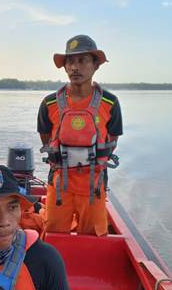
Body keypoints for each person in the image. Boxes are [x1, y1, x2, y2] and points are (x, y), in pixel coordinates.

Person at [37, 35, 123, 236]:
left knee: (93, 237)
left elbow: (112, 141)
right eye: (70, 62)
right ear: (65, 67)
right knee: (53, 235)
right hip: (59, 185)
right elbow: (46, 138)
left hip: (93, 184)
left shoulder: (110, 102)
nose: (75, 67)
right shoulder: (49, 103)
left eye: (82, 60)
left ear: (95, 65)